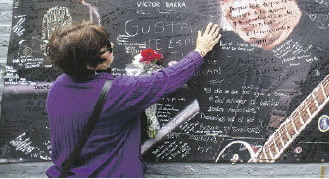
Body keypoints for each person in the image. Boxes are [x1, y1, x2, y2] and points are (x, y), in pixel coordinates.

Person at [44, 21, 221, 177]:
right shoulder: (117, 90)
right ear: (90, 64)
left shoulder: (58, 86)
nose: (112, 44)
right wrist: (200, 52)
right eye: (106, 47)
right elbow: (166, 80)